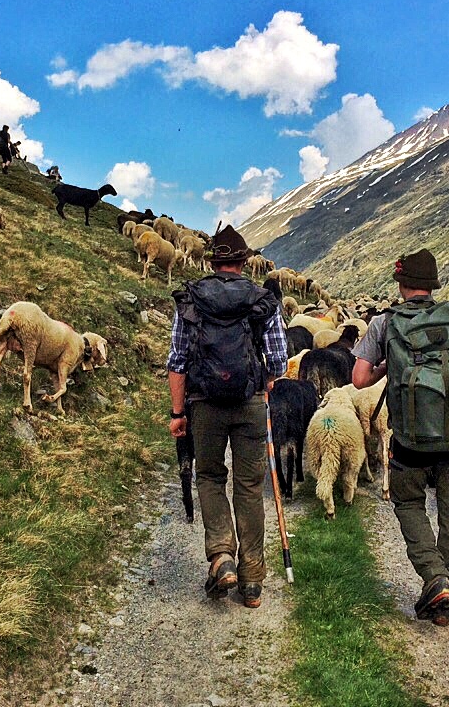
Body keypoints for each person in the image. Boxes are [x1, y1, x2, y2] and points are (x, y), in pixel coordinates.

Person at [352, 248, 449, 627]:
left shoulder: (385, 324)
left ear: (402, 285)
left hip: (412, 439)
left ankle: (435, 578)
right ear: (433, 286)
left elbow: (359, 379)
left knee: (408, 503)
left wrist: (391, 364)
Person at [167, 224, 287, 609]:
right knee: (249, 486)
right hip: (251, 401)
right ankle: (252, 580)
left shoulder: (193, 298)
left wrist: (176, 412)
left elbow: (177, 361)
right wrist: (262, 383)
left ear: (213, 260)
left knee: (211, 476)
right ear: (243, 260)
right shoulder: (261, 300)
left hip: (204, 404)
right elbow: (280, 360)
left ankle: (222, 557)